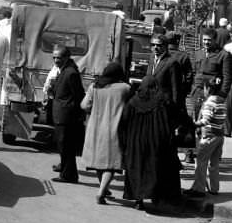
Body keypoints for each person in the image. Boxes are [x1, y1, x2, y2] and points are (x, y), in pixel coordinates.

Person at [119, 34, 184, 211]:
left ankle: (161, 195)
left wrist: (174, 118)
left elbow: (177, 93)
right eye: (154, 45)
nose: (156, 48)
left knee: (162, 157)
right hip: (148, 109)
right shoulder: (151, 59)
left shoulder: (172, 63)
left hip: (162, 113)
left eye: (159, 45)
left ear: (166, 47)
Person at [80, 61, 132, 204]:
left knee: (99, 161)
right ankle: (101, 192)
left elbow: (84, 105)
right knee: (111, 164)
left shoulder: (94, 86)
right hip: (114, 130)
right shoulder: (125, 88)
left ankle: (104, 188)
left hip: (95, 129)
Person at [185, 75, 227, 199]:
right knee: (214, 164)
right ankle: (214, 189)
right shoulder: (221, 101)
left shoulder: (209, 102)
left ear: (208, 88)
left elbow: (206, 120)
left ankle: (199, 189)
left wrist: (193, 124)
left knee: (201, 162)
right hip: (220, 136)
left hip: (209, 136)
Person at [49, 45, 85, 184]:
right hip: (61, 115)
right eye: (54, 57)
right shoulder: (63, 70)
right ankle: (66, 171)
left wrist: (76, 113)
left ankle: (68, 175)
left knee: (66, 147)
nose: (56, 60)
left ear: (66, 57)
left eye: (59, 57)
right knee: (62, 146)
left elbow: (79, 95)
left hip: (66, 116)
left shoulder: (71, 73)